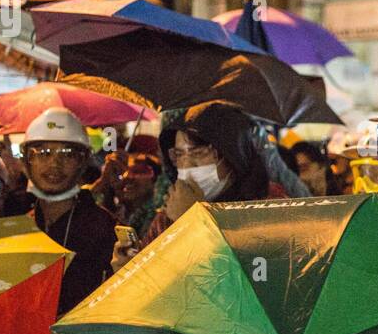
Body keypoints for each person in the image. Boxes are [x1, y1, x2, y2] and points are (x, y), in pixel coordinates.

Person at [113, 101, 286, 269]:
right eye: (179, 155)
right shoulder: (169, 214)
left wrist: (193, 222)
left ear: (234, 155)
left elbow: (249, 285)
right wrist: (128, 271)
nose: (187, 166)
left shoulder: (269, 209)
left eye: (200, 153)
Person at [22, 108, 117, 316]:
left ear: (83, 162)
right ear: (27, 161)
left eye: (68, 154)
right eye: (43, 153)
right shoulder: (19, 229)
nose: (55, 164)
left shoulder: (104, 228)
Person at [93, 153, 167, 238]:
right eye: (123, 173)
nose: (128, 176)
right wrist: (104, 181)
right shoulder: (120, 213)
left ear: (155, 180)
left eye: (138, 171)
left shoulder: (158, 215)